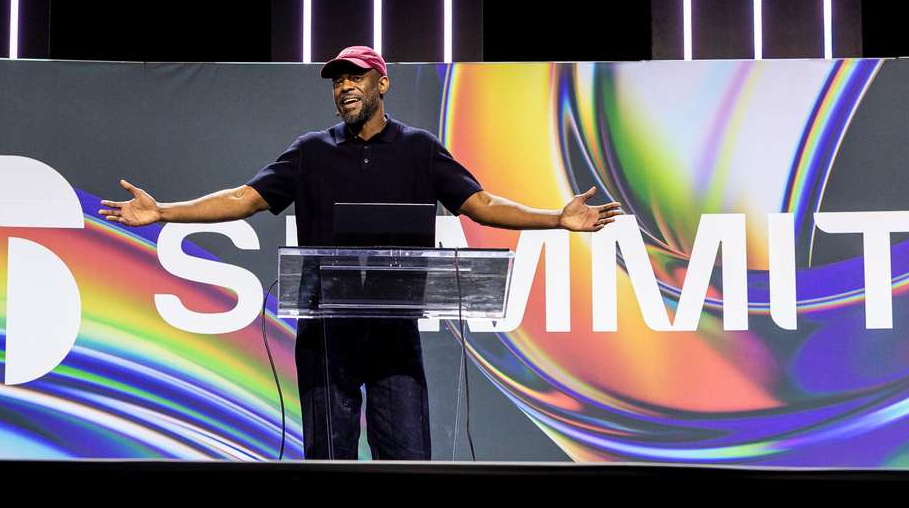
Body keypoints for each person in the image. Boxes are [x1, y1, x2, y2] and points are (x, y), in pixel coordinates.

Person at [100, 45, 622, 460]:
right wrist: (163, 211)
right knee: (330, 457)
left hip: (393, 336)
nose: (345, 85)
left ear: (382, 82)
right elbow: (244, 198)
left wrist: (557, 218)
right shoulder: (311, 151)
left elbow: (480, 205)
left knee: (406, 457)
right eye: (337, 79)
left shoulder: (420, 148)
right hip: (328, 336)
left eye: (355, 75)